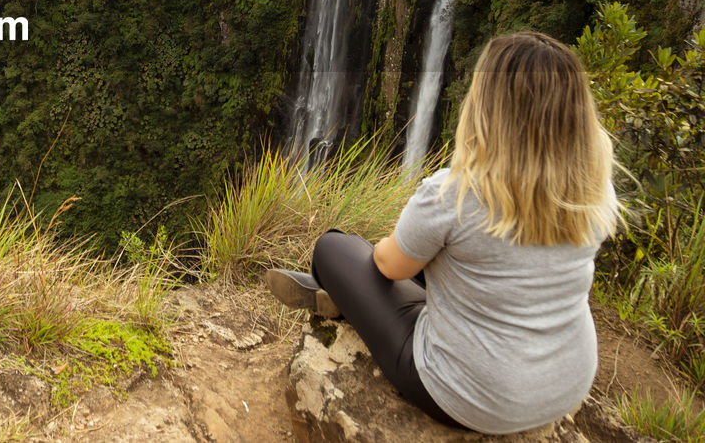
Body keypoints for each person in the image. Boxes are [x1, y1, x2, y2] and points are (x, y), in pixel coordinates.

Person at [266, 32, 622, 434]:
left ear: (487, 107)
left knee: (334, 249)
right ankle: (348, 299)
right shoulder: (593, 191)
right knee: (448, 263)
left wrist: (392, 246)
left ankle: (337, 298)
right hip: (565, 386)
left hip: (472, 396)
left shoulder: (457, 193)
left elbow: (387, 265)